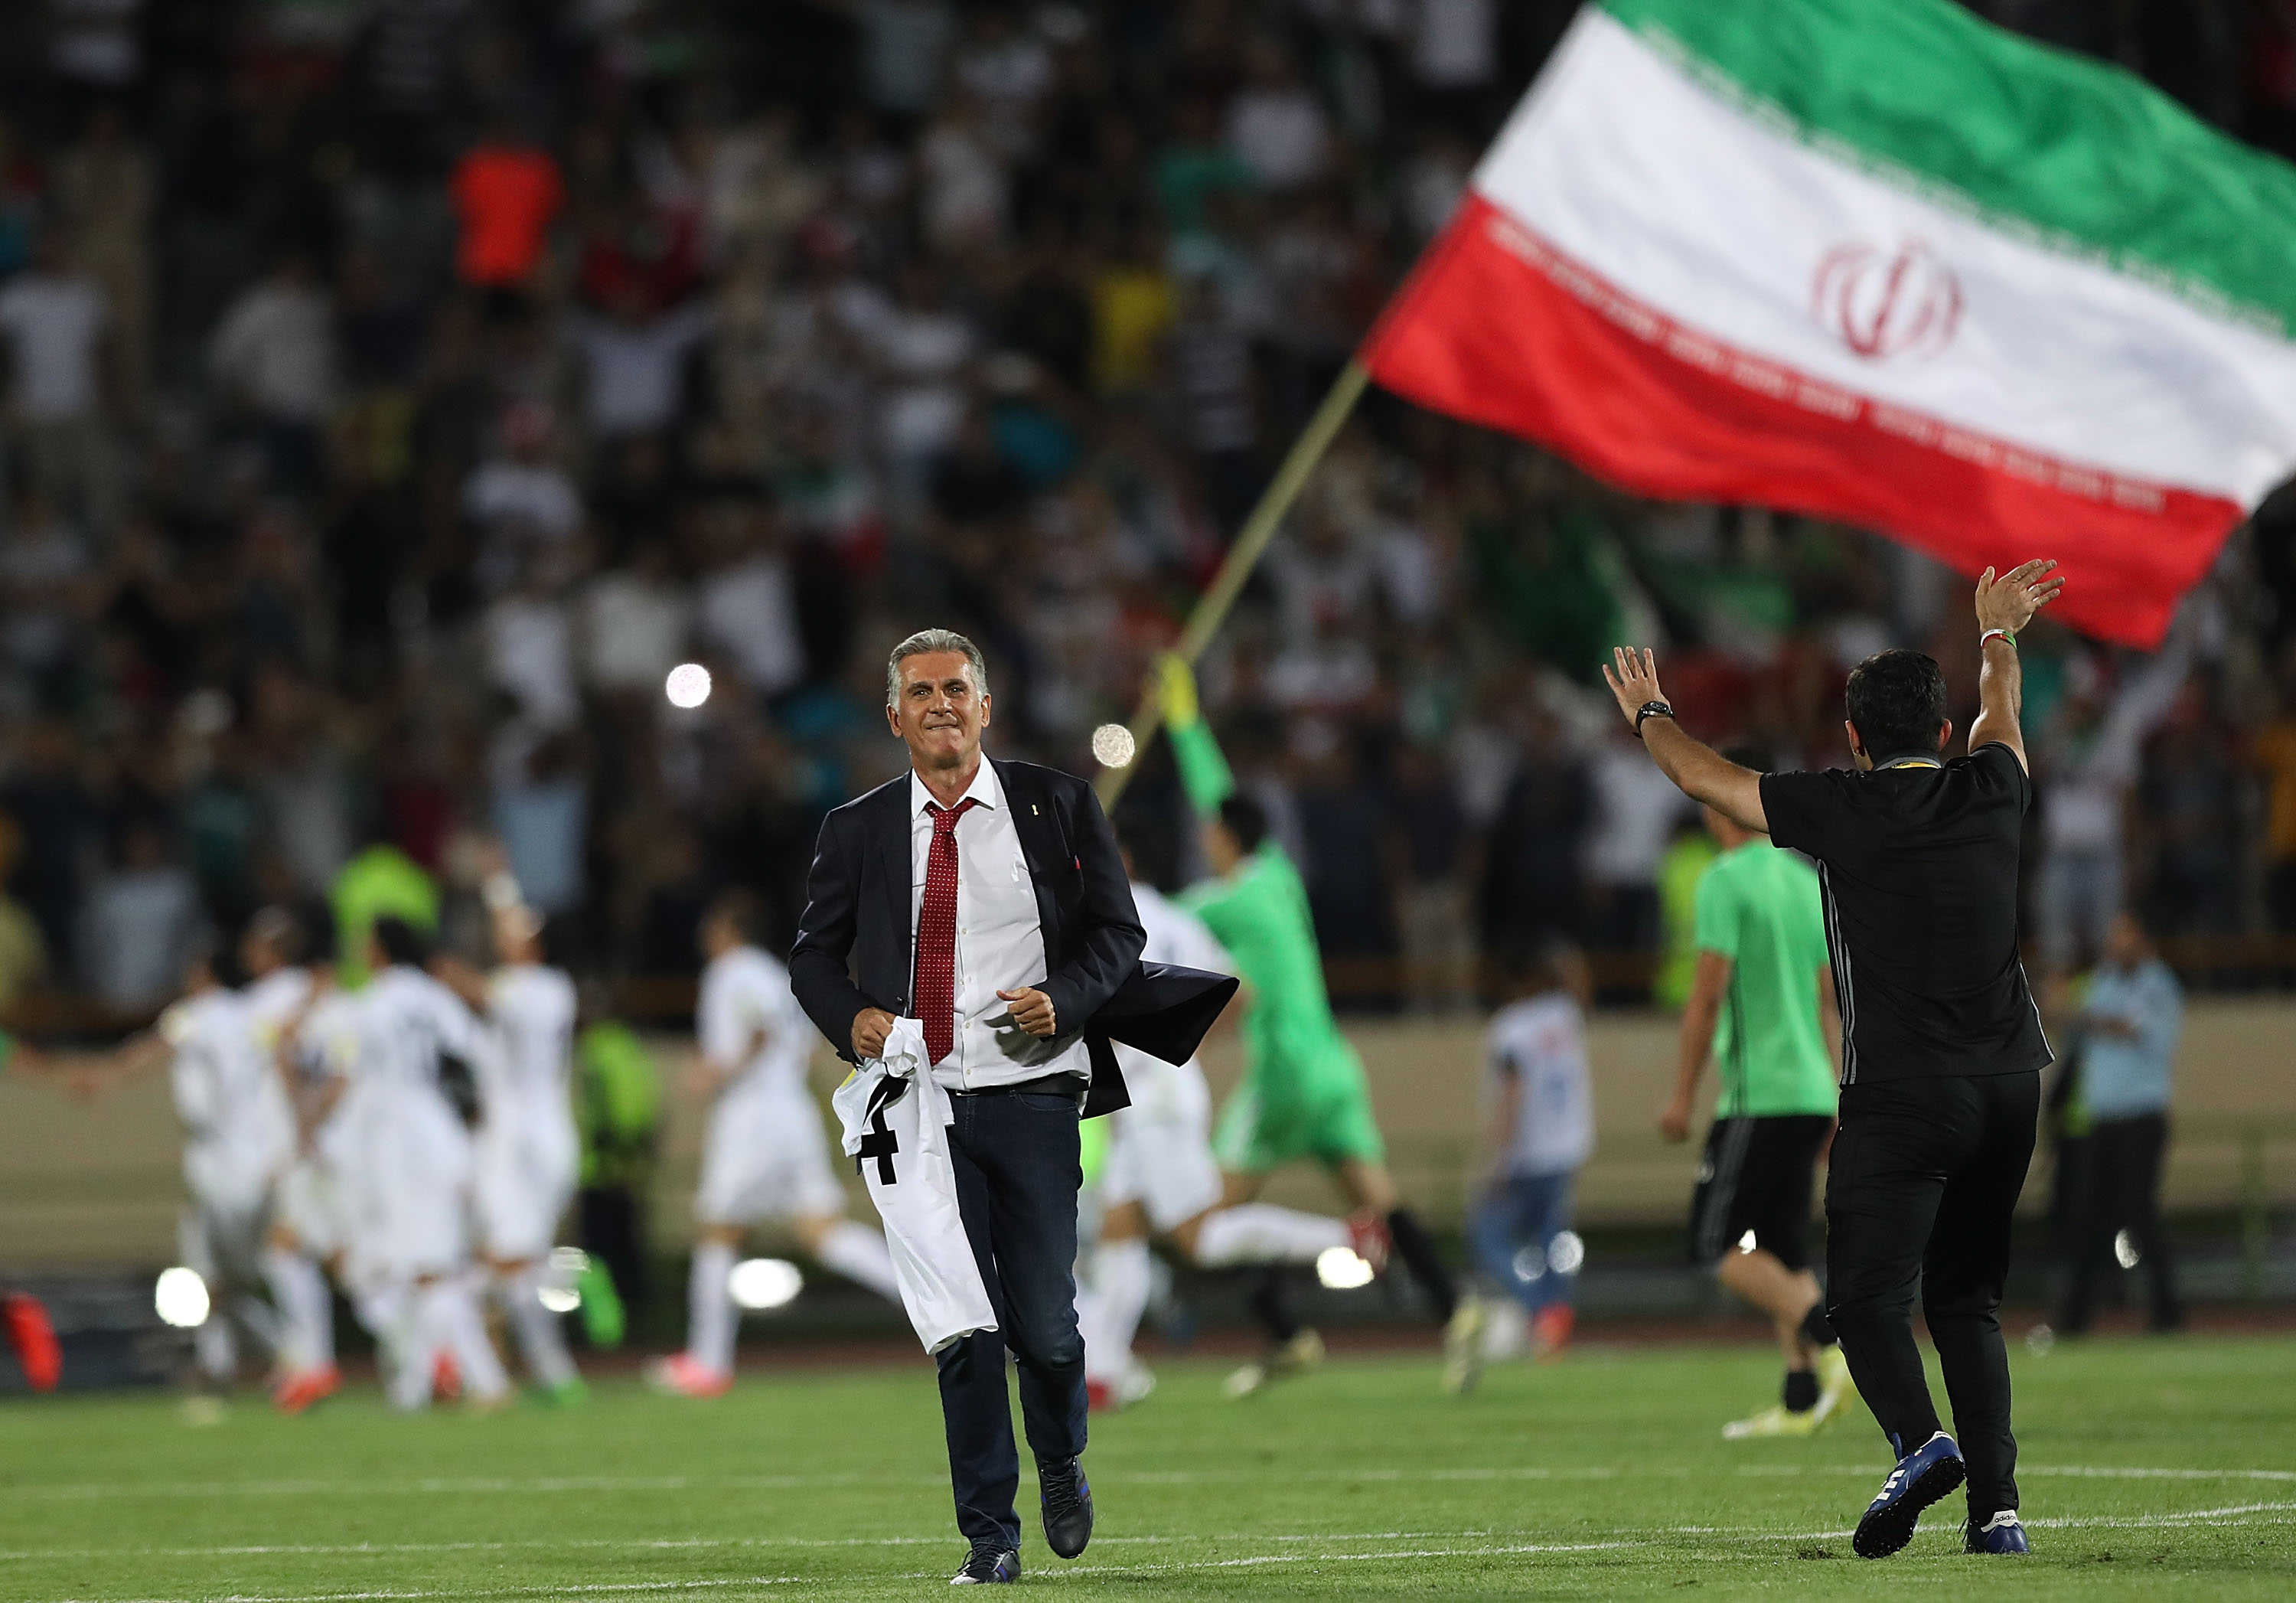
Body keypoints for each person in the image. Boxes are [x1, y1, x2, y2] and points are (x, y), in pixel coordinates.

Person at [1602, 559, 2065, 1560]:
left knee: (1863, 1297)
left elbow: (1701, 777)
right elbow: (2003, 714)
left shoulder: (1844, 809)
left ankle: (1918, 1442)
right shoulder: (1994, 787)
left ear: (1854, 739)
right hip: (2009, 1082)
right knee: (1970, 1303)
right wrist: (1996, 634)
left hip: (1903, 1092)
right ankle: (1999, 1516)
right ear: (1938, 734)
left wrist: (1650, 713)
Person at [788, 628, 1228, 1586]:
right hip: (917, 1099)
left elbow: (1119, 932)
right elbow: (812, 958)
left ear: (986, 707)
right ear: (895, 714)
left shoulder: (1057, 803)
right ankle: (991, 1535)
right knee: (962, 1327)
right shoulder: (857, 828)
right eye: (921, 690)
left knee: (1047, 1326)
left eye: (957, 688)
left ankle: (1062, 1457)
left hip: (1033, 1087)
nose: (941, 703)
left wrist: (1065, 1001)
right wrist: (855, 1017)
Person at [1153, 653, 1484, 1396]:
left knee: (1212, 1220)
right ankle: (1454, 1308)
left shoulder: (1231, 897)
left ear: (1226, 842)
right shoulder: (1277, 874)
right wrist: (1185, 725)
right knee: (1380, 1195)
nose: (1205, 838)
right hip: (1335, 1065)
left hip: (1285, 1075)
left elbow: (1155, 916)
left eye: (1211, 835)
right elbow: (1223, 797)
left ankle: (1285, 1330)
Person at [1075, 820, 1359, 1412]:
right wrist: (1186, 1043)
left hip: (1152, 1099)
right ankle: (1106, 1371)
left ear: (1122, 860)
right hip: (1159, 1093)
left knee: (1202, 1239)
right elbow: (1242, 993)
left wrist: (1145, 1046)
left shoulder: (1119, 925)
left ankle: (1345, 1240)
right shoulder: (1179, 920)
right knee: (1119, 1230)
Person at [646, 889, 904, 1399]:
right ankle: (941, 1306)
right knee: (824, 1234)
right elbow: (803, 1046)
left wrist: (718, 1072)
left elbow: (759, 1031)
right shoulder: (774, 972)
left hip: (753, 1118)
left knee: (717, 1231)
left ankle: (707, 1362)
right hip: (792, 1114)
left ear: (727, 929)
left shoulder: (732, 971)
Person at [1662, 762, 1854, 1439]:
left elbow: (1708, 992)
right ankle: (1801, 1397)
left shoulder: (1723, 880)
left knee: (1713, 1243)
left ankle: (1832, 1344)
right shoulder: (1805, 880)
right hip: (1807, 1088)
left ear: (1718, 803)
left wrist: (1683, 1094)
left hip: (1756, 1094)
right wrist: (1836, 1090)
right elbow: (1831, 996)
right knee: (1781, 1245)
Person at [350, 916, 513, 1412]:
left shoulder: (371, 1004)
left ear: (379, 949)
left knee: (428, 1271)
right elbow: (471, 1065)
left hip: (398, 1142)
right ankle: (422, 1387)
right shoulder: (438, 999)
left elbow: (359, 1078)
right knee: (430, 1268)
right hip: (442, 1133)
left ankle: (481, 1383)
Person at [436, 903, 587, 1402]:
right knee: (518, 1263)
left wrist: (434, 960)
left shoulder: (546, 987)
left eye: (516, 933)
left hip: (532, 1143)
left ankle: (454, 1352)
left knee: (510, 1262)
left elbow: (480, 993)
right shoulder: (513, 986)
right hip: (504, 1141)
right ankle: (549, 1373)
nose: (505, 939)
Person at [2056, 912, 2183, 1335]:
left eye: (2125, 936)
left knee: (2141, 1214)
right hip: (2102, 1119)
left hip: (2141, 1118)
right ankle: (2074, 1320)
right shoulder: (2103, 982)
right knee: (2086, 1217)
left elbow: (2131, 1029)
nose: (2118, 944)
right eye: (2114, 937)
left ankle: (2166, 1314)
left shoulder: (2158, 984)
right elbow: (2073, 1024)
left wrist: (2085, 1018)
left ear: (2141, 940)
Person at [1470, 942, 1593, 1361]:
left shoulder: (1511, 1027)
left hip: (1528, 1150)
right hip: (1565, 1146)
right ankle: (1552, 1314)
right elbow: (1579, 986)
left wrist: (1498, 1159)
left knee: (1488, 1236)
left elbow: (1513, 1094)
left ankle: (1540, 1309)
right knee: (1550, 1237)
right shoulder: (1564, 1016)